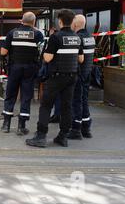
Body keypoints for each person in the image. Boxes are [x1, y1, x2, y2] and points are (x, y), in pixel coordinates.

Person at [26, 9, 84, 147]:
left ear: (60, 21)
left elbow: (47, 58)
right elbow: (81, 59)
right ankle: (63, 136)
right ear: (72, 22)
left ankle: (41, 136)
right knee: (66, 107)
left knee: (46, 106)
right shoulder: (77, 38)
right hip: (72, 77)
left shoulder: (56, 37)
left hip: (56, 77)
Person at [0, 12, 44, 135]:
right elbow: (41, 52)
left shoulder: (12, 33)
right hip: (30, 68)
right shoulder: (38, 34)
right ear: (34, 22)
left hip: (14, 67)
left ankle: (6, 125)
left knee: (10, 94)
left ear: (21, 21)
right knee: (26, 96)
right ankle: (21, 126)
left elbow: (3, 52)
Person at [68, 14, 96, 139]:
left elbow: (78, 59)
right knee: (84, 101)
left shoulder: (77, 38)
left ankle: (76, 129)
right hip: (87, 73)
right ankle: (86, 128)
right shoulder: (91, 37)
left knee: (76, 102)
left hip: (78, 74)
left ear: (75, 24)